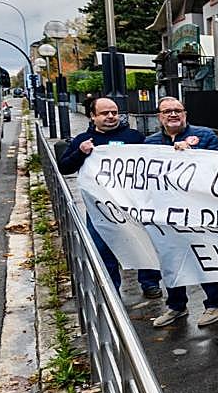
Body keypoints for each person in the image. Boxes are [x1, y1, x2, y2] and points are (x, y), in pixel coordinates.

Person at [57, 97, 161, 300]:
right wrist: (80, 153)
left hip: (134, 205)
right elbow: (65, 167)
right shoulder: (82, 140)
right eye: (105, 113)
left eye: (114, 112)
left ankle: (150, 283)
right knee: (104, 247)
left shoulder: (134, 137)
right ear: (93, 116)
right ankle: (111, 288)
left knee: (142, 242)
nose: (111, 116)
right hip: (101, 208)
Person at [145, 96, 218, 327]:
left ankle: (215, 303)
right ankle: (176, 305)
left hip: (198, 213)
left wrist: (190, 154)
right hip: (165, 214)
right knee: (170, 259)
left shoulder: (204, 136)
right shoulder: (149, 143)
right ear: (159, 116)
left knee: (204, 258)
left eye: (177, 110)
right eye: (167, 111)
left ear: (185, 114)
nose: (173, 114)